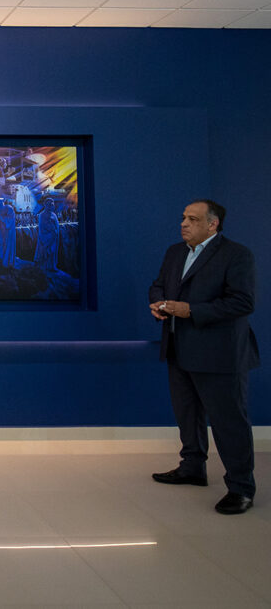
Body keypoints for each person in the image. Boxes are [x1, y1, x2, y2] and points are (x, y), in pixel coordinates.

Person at [148, 199, 260, 515]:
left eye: (193, 219)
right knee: (187, 414)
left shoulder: (236, 255)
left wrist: (192, 311)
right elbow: (158, 286)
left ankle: (241, 488)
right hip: (178, 348)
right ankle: (192, 467)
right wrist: (157, 304)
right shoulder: (175, 252)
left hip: (219, 354)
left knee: (229, 422)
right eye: (183, 217)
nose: (184, 223)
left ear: (213, 225)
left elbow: (242, 302)